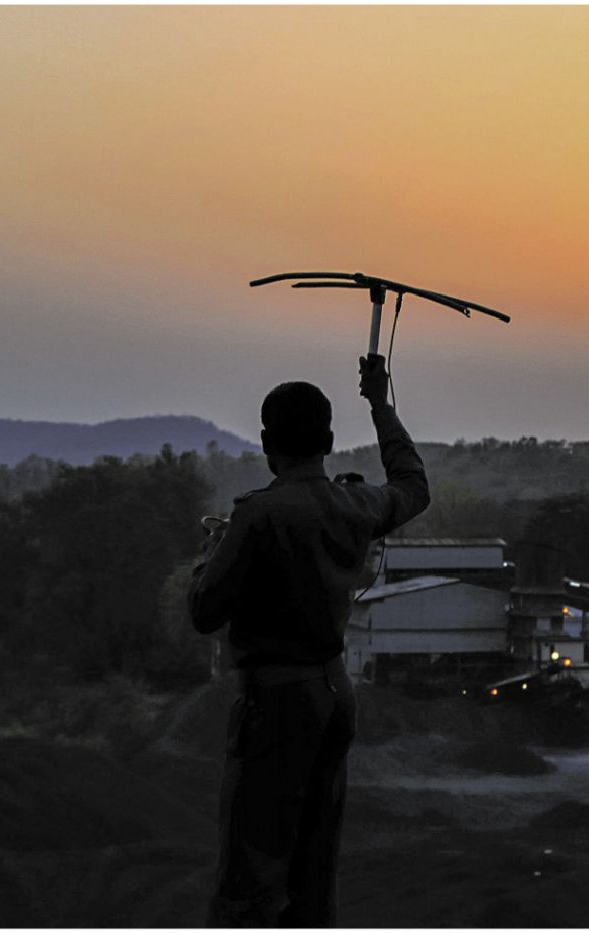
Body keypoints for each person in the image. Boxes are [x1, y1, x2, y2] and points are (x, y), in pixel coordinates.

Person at [189, 355, 429, 927]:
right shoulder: (357, 503)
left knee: (251, 876)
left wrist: (213, 551)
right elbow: (413, 486)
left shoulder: (258, 515)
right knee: (313, 875)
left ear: (269, 442)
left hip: (274, 704)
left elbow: (204, 611)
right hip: (333, 694)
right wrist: (379, 403)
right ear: (326, 439)